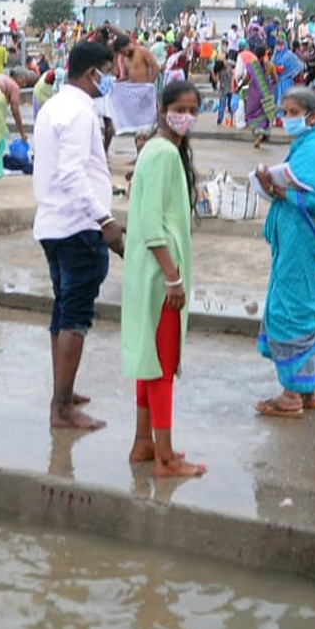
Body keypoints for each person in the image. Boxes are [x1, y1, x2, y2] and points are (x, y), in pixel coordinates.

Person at [32, 42, 125, 431]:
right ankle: (62, 408)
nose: (114, 79)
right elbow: (72, 173)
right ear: (92, 74)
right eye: (110, 71)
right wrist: (104, 219)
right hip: (78, 228)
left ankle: (64, 393)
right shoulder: (79, 113)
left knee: (62, 310)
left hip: (54, 224)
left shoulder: (54, 106)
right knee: (75, 316)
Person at [121, 81, 205, 478]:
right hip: (160, 279)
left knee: (148, 360)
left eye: (192, 109)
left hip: (146, 275)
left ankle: (144, 442)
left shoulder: (158, 150)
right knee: (163, 364)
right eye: (179, 107)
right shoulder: (163, 153)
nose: (185, 115)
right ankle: (166, 457)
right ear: (161, 108)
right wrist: (173, 278)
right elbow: (154, 225)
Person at [253, 87, 315, 417]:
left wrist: (281, 192)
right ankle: (306, 391)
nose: (287, 118)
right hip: (296, 242)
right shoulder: (306, 143)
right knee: (301, 310)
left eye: (293, 112)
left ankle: (292, 396)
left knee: (292, 312)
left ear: (311, 115)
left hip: (306, 245)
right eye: (284, 111)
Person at [238, 40, 277, 149]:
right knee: (265, 116)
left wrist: (239, 86)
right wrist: (268, 85)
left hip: (254, 95)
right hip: (266, 94)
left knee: (252, 116)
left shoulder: (252, 66)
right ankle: (263, 133)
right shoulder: (270, 66)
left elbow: (246, 79)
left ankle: (258, 133)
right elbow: (275, 79)